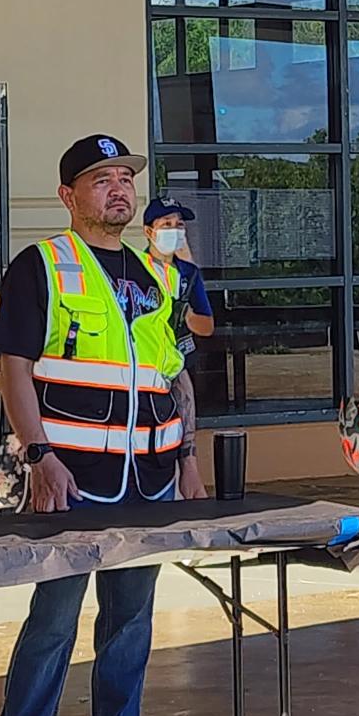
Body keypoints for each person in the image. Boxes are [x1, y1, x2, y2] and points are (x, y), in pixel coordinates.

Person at [0, 134, 186, 716]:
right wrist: (38, 456)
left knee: (130, 621)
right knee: (54, 621)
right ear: (69, 195)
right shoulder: (43, 264)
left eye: (125, 177)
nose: (119, 188)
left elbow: (170, 375)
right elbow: (14, 366)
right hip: (69, 478)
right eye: (102, 179)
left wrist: (188, 459)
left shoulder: (158, 271)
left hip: (148, 479)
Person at [142, 197, 212, 498]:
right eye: (166, 225)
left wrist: (182, 312)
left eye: (179, 225)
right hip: (143, 366)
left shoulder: (189, 273)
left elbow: (207, 325)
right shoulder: (135, 266)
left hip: (178, 360)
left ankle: (188, 471)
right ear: (149, 231)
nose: (174, 231)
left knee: (182, 411)